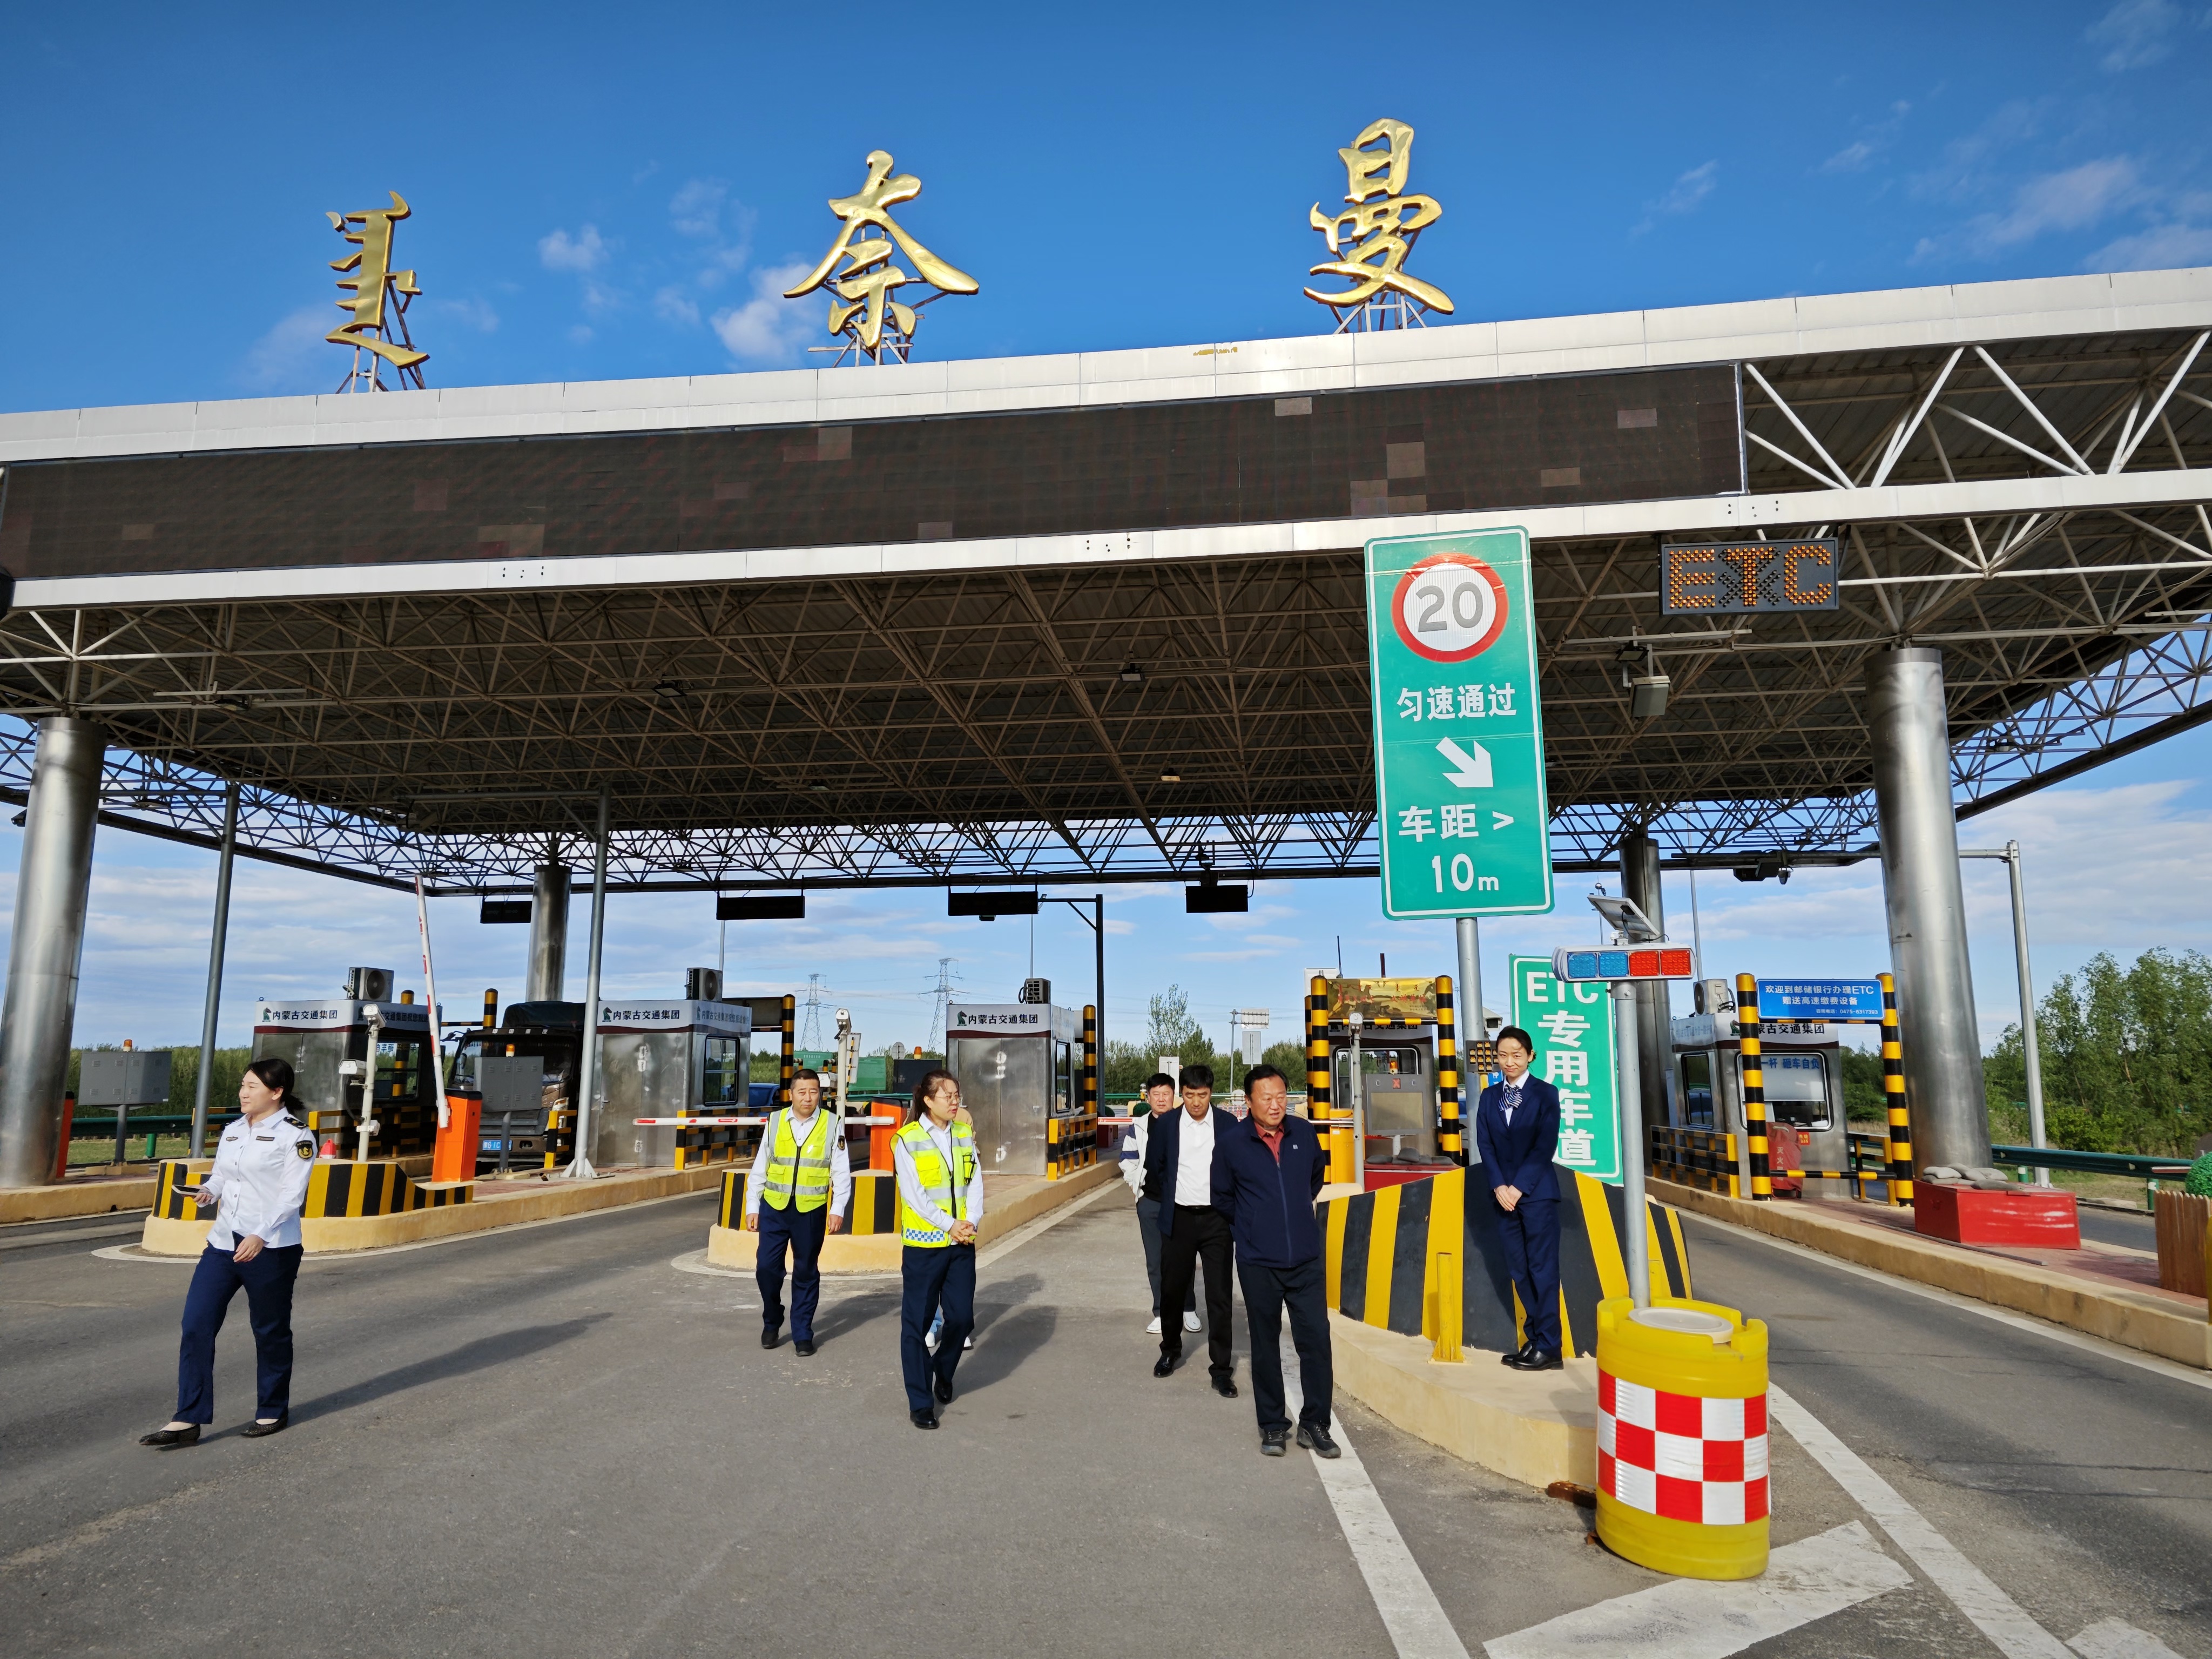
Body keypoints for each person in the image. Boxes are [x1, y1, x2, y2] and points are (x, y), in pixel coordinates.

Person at [139, 1057, 317, 1447]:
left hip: (270, 1249)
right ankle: (188, 1418)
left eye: (252, 1086)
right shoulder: (234, 1130)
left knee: (269, 1331)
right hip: (222, 1243)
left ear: (277, 1092)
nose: (243, 1093)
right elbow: (222, 1175)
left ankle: (272, 1409)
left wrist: (260, 1235)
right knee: (196, 1324)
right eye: (242, 1085)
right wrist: (209, 1191)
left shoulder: (296, 1136)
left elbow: (292, 1196)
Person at [1213, 1064, 1338, 1458]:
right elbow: (1222, 1197)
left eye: (1281, 1096)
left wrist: (1295, 1217)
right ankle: (1272, 1425)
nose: (1275, 1104)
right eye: (1266, 1098)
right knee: (1265, 1344)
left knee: (1316, 1341)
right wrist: (1252, 1227)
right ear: (1249, 1102)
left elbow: (1314, 1180)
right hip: (1258, 1262)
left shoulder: (1304, 1133)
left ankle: (1315, 1423)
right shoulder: (1232, 1143)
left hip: (1305, 1259)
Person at [894, 1069, 983, 1429]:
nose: (955, 1101)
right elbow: (914, 1196)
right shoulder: (907, 1140)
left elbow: (975, 1181)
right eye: (948, 1095)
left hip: (961, 1243)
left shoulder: (962, 1134)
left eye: (957, 1094)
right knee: (916, 1324)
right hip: (924, 1246)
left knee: (961, 1318)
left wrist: (970, 1221)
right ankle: (921, 1403)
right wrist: (949, 1225)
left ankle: (942, 1371)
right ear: (928, 1100)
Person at [743, 1067, 852, 1355]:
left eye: (813, 1092)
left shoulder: (833, 1124)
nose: (808, 1097)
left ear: (820, 1094)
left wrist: (838, 1208)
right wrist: (753, 1205)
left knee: (805, 1271)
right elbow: (761, 1166)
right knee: (767, 1268)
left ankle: (803, 1332)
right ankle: (772, 1318)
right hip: (774, 1208)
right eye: (802, 1092)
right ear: (791, 1094)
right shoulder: (775, 1121)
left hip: (811, 1211)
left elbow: (841, 1172)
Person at [1143, 1062, 1236, 1398]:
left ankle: (1221, 1369)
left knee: (1219, 1295)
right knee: (1172, 1289)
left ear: (1212, 1093)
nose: (1196, 1102)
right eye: (1190, 1095)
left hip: (1216, 1221)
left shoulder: (1228, 1124)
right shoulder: (1167, 1124)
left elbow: (1236, 1169)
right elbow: (1155, 1166)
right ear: (1182, 1094)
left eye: (1203, 1095)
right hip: (1178, 1218)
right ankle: (1170, 1350)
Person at [1475, 1026, 1563, 1372]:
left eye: (1516, 1055)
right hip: (1503, 1198)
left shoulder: (1545, 1094)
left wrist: (1518, 1188)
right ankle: (1536, 1339)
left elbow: (1545, 1146)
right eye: (1503, 1055)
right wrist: (1499, 1186)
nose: (1509, 1061)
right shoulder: (1489, 1097)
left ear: (1530, 1056)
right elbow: (1485, 1144)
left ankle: (1550, 1346)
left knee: (1543, 1269)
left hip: (1537, 1195)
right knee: (1519, 1270)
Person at [1117, 1071, 1198, 1336]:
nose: (1162, 1099)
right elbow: (1127, 1160)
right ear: (1148, 1097)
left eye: (1166, 1094)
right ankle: (1162, 1312)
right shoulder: (1139, 1127)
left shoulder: (1186, 1123)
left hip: (1182, 1204)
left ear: (1175, 1096)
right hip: (1150, 1202)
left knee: (1183, 1258)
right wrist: (1136, 1188)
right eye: (1156, 1094)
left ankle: (1188, 1308)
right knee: (1155, 1260)